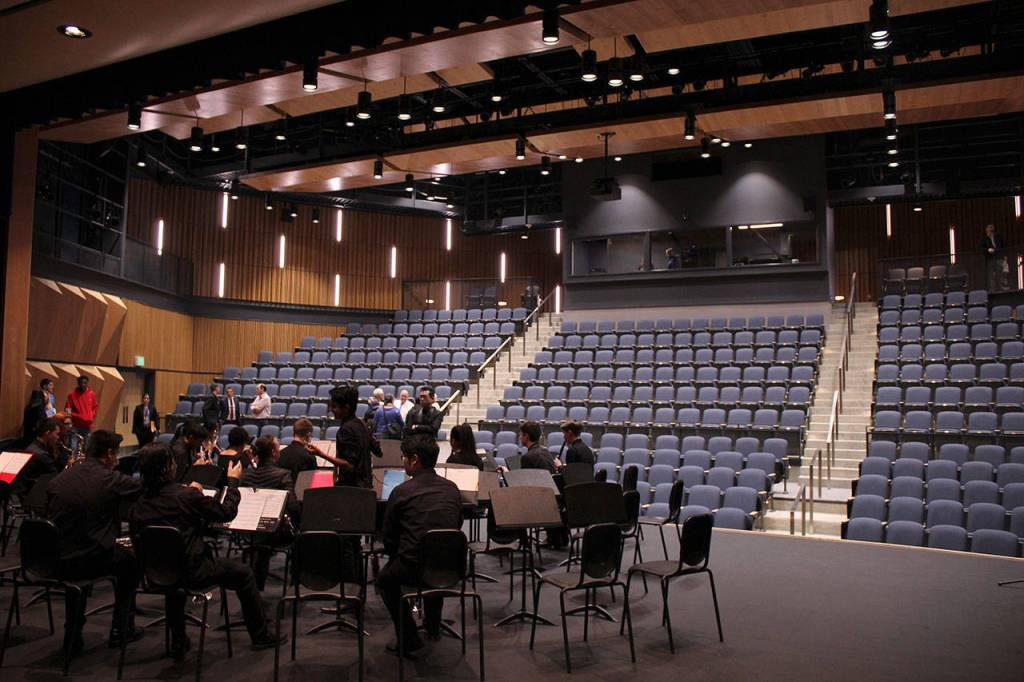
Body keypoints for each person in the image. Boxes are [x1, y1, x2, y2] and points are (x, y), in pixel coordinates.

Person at [129, 444, 285, 656]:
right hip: (193, 572)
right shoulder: (186, 497)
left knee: (173, 575)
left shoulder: (137, 503)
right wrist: (232, 483)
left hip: (153, 574)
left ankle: (178, 641)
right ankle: (260, 635)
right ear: (168, 468)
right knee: (243, 573)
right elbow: (226, 513)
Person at [46, 430, 143, 652]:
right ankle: (121, 629)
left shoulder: (61, 478)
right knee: (131, 562)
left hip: (53, 559)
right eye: (115, 455)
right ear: (109, 454)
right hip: (87, 558)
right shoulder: (109, 478)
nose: (116, 460)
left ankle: (73, 635)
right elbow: (145, 489)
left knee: (78, 558)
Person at [377, 434, 463, 656]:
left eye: (404, 457)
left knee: (386, 580)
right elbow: (456, 525)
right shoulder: (452, 489)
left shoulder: (402, 491)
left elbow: (388, 536)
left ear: (414, 459)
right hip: (452, 567)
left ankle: (409, 638)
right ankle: (433, 625)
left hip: (413, 567)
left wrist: (397, 554)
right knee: (436, 556)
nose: (403, 461)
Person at [239, 436, 300, 591]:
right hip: (275, 533)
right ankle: (297, 582)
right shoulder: (283, 474)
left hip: (247, 532)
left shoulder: (245, 475)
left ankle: (255, 583)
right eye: (278, 448)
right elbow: (292, 506)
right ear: (274, 452)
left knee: (261, 541)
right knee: (300, 535)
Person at [328, 385, 380, 488]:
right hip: (366, 486)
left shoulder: (345, 430)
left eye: (334, 406)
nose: (331, 409)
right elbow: (378, 452)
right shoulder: (362, 424)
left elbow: (349, 465)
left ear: (346, 408)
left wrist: (319, 453)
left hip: (352, 490)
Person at [15, 417, 63, 496]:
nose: (58, 438)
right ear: (47, 433)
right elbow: (56, 478)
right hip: (34, 495)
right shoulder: (42, 455)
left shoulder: (31, 446)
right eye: (56, 434)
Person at [65, 374, 99, 439]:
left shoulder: (91, 394)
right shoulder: (72, 395)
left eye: (85, 383)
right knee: (73, 446)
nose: (83, 384)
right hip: (75, 425)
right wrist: (77, 416)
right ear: (78, 383)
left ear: (87, 383)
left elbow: (95, 407)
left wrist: (91, 415)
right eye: (81, 383)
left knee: (86, 446)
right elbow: (68, 409)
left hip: (87, 425)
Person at [978, 223, 1008, 291]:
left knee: (1000, 274)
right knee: (991, 275)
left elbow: (1003, 246)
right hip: (990, 259)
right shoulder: (984, 239)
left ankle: (1003, 289)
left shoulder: (998, 237)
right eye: (988, 229)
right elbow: (980, 248)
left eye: (991, 229)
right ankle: (992, 290)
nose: (990, 231)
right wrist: (988, 250)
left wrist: (1004, 256)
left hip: (999, 257)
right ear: (986, 230)